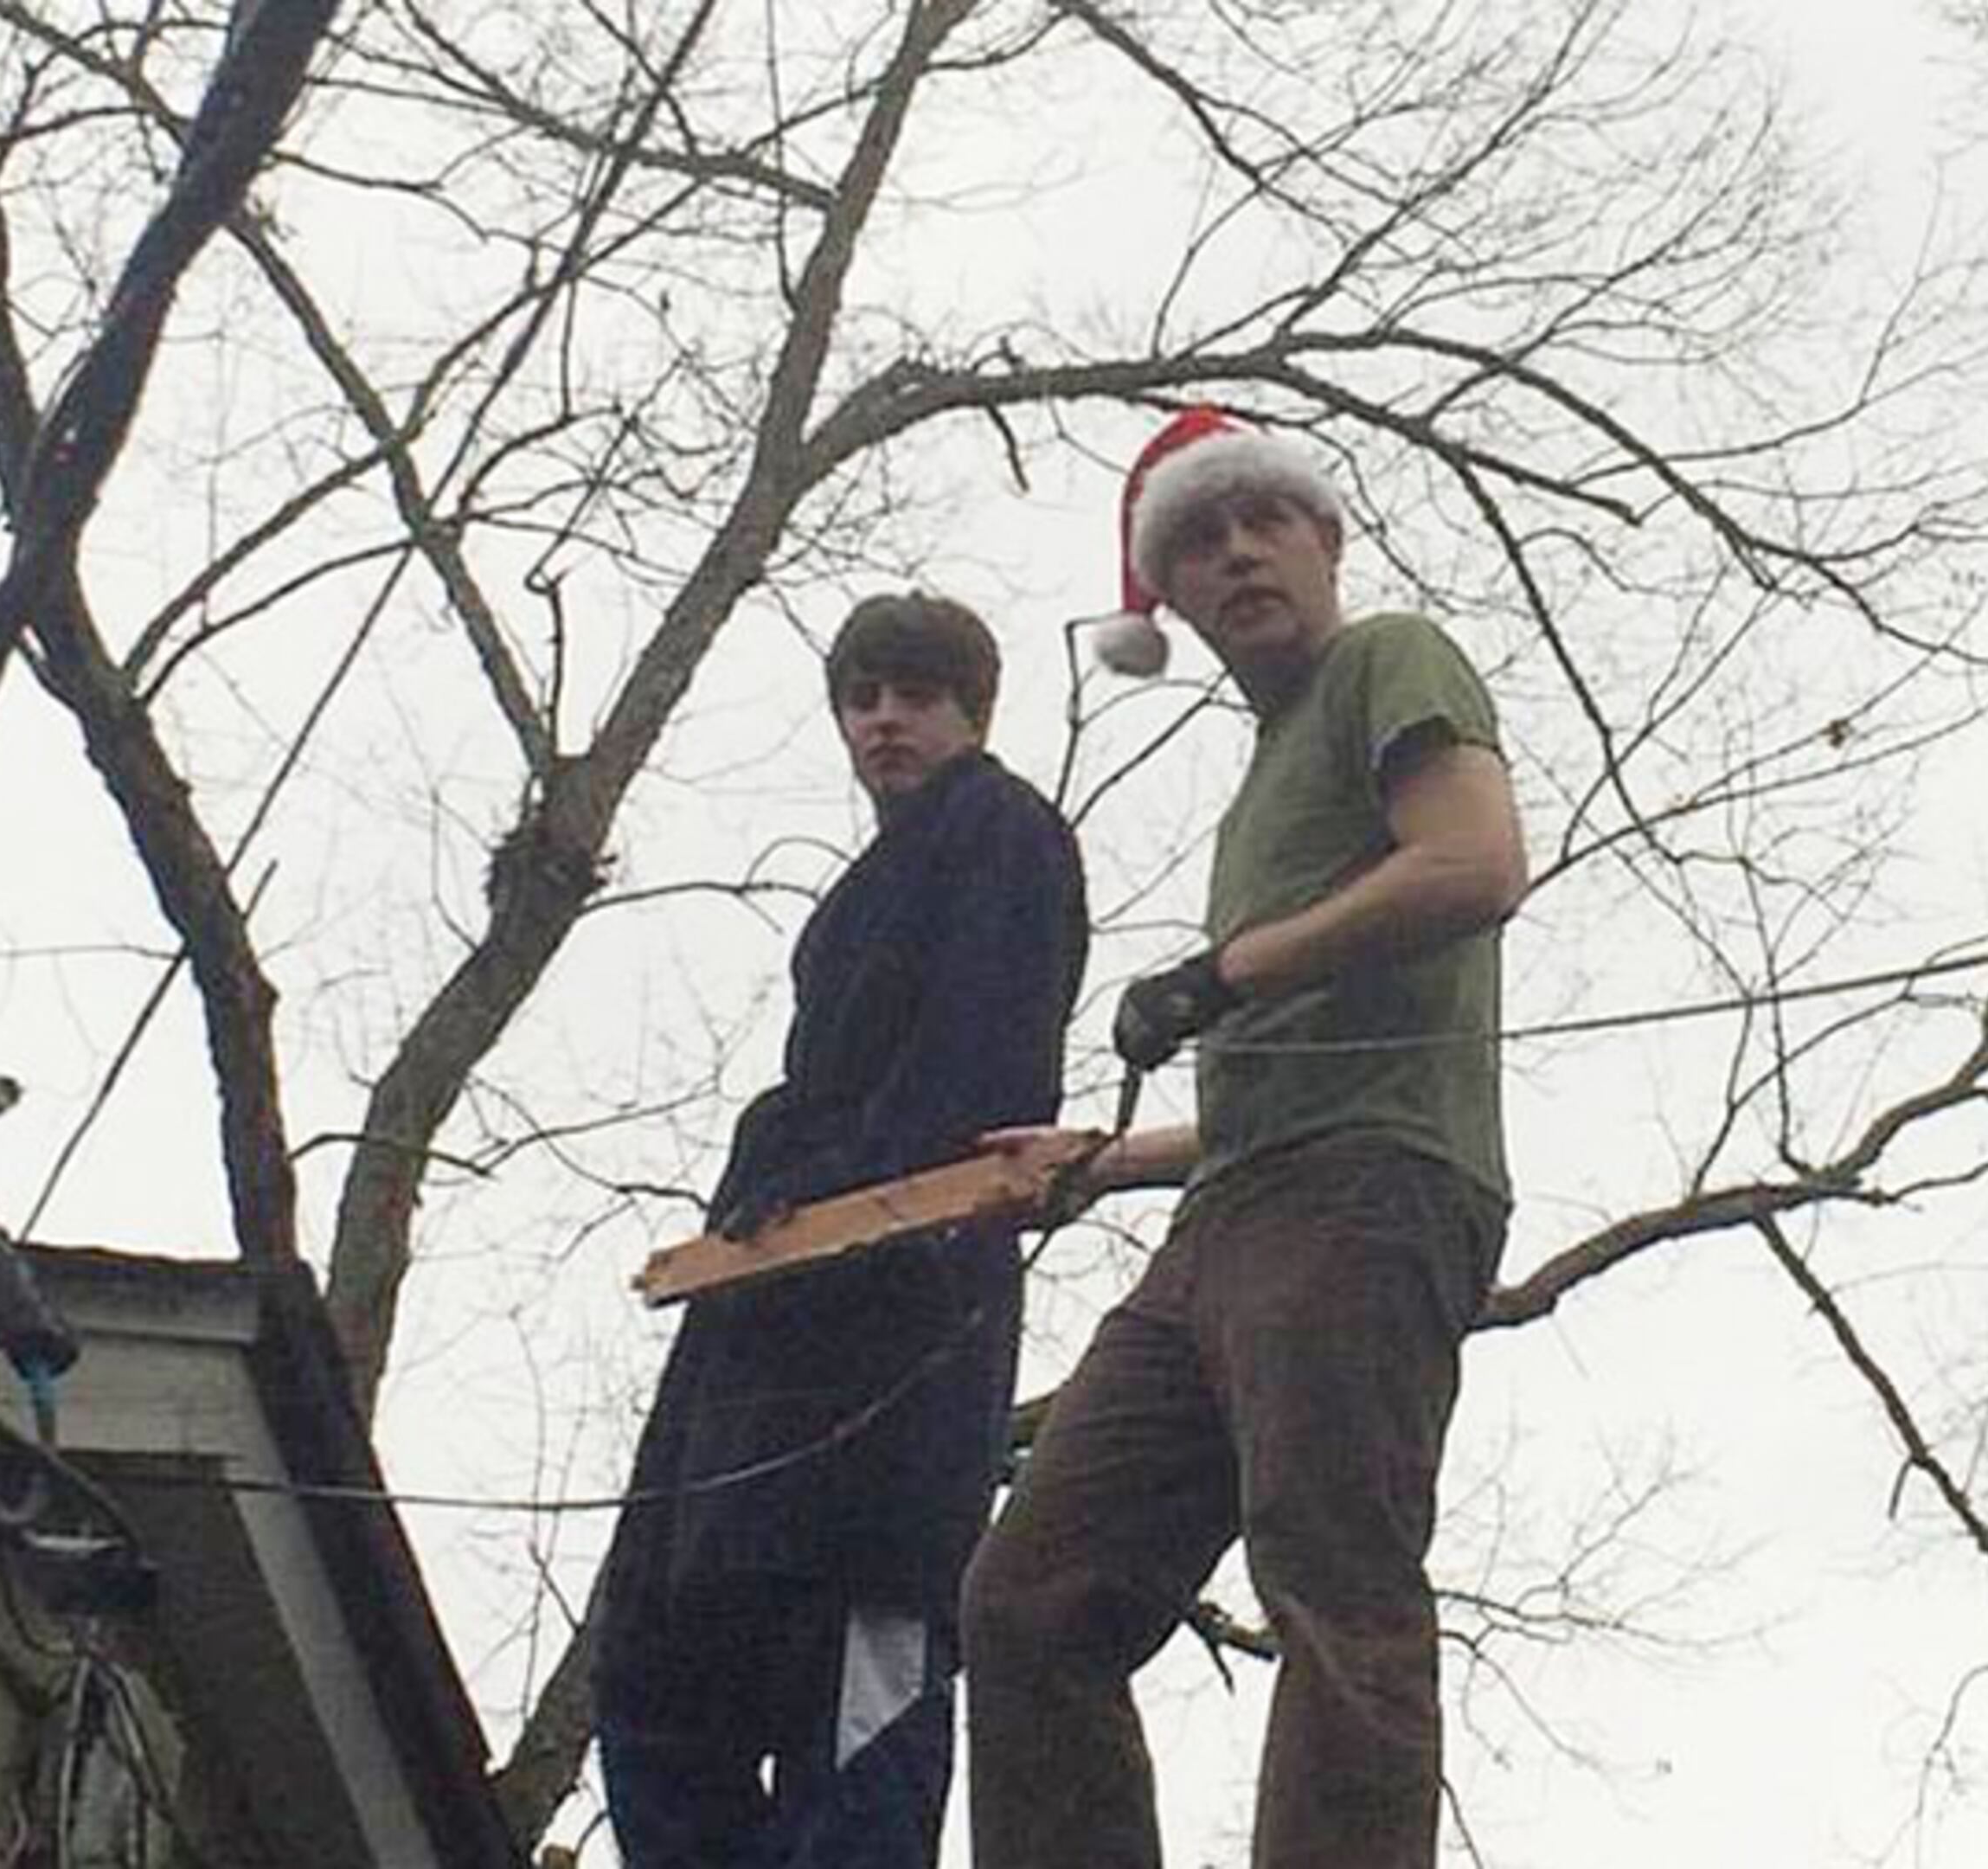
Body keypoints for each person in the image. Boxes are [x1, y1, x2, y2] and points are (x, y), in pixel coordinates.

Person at [964, 408, 1526, 1869]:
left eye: (1263, 520)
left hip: (1370, 1189)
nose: (1236, 554)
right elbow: (1274, 1069)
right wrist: (1105, 1160)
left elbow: (1475, 862)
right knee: (1030, 1599)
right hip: (1231, 1212)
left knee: (1334, 1578)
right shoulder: (1265, 780)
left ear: (1325, 538)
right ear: (1171, 599)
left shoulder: (1388, 659)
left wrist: (1226, 971)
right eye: (1199, 543)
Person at [594, 592, 1088, 1869]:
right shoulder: (862, 893)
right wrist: (774, 1190)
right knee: (649, 1662)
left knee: (859, 1688)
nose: (884, 722)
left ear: (972, 711)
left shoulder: (999, 832)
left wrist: (849, 1179)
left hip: (895, 1336)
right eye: (862, 699)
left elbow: (978, 1069)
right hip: (762, 1334)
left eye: (915, 696)